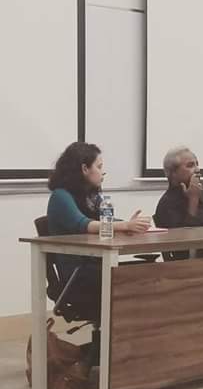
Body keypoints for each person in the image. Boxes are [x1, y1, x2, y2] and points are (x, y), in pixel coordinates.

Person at [47, 142, 151, 369]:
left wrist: (129, 225)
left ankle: (132, 354)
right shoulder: (60, 196)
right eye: (99, 166)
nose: (103, 172)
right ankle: (117, 356)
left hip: (97, 266)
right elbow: (82, 224)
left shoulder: (94, 196)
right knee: (136, 283)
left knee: (147, 279)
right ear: (84, 169)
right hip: (78, 274)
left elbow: (107, 223)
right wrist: (123, 225)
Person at [154, 146, 203, 228]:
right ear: (173, 172)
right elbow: (186, 237)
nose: (197, 169)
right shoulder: (167, 203)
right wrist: (193, 199)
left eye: (197, 164)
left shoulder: (200, 188)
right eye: (190, 165)